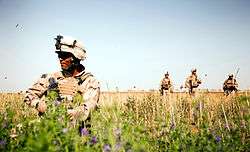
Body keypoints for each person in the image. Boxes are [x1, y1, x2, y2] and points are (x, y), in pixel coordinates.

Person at [24, 35, 100, 128]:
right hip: (49, 131)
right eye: (59, 56)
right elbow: (29, 95)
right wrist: (39, 104)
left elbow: (88, 108)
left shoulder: (89, 81)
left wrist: (65, 113)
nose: (60, 59)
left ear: (76, 58)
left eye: (64, 56)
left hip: (76, 134)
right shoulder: (50, 78)